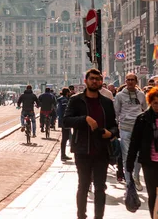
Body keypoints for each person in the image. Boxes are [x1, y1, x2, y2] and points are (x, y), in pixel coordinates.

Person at [64, 68, 119, 219]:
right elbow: (65, 121)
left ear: (101, 82)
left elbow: (114, 125)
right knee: (83, 186)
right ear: (86, 81)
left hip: (102, 151)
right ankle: (81, 216)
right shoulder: (76, 100)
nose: (95, 81)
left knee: (100, 188)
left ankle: (98, 217)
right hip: (82, 150)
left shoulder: (107, 102)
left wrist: (111, 133)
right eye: (92, 79)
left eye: (97, 79)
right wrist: (85, 119)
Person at [126, 86, 158, 219]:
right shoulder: (143, 119)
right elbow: (134, 143)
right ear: (150, 102)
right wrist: (129, 163)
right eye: (156, 103)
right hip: (149, 163)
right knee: (153, 194)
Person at [114, 73, 147, 190]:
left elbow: (145, 109)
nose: (130, 82)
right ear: (125, 81)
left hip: (138, 129)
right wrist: (116, 127)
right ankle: (129, 182)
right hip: (125, 129)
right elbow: (116, 112)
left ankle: (136, 176)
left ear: (136, 81)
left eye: (132, 80)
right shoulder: (119, 96)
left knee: (139, 155)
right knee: (126, 155)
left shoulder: (141, 95)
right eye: (128, 80)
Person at [57, 87, 72, 161]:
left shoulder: (61, 99)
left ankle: (63, 154)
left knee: (65, 138)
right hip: (65, 121)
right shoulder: (65, 100)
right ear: (67, 93)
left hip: (62, 120)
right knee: (65, 138)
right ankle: (63, 155)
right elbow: (66, 111)